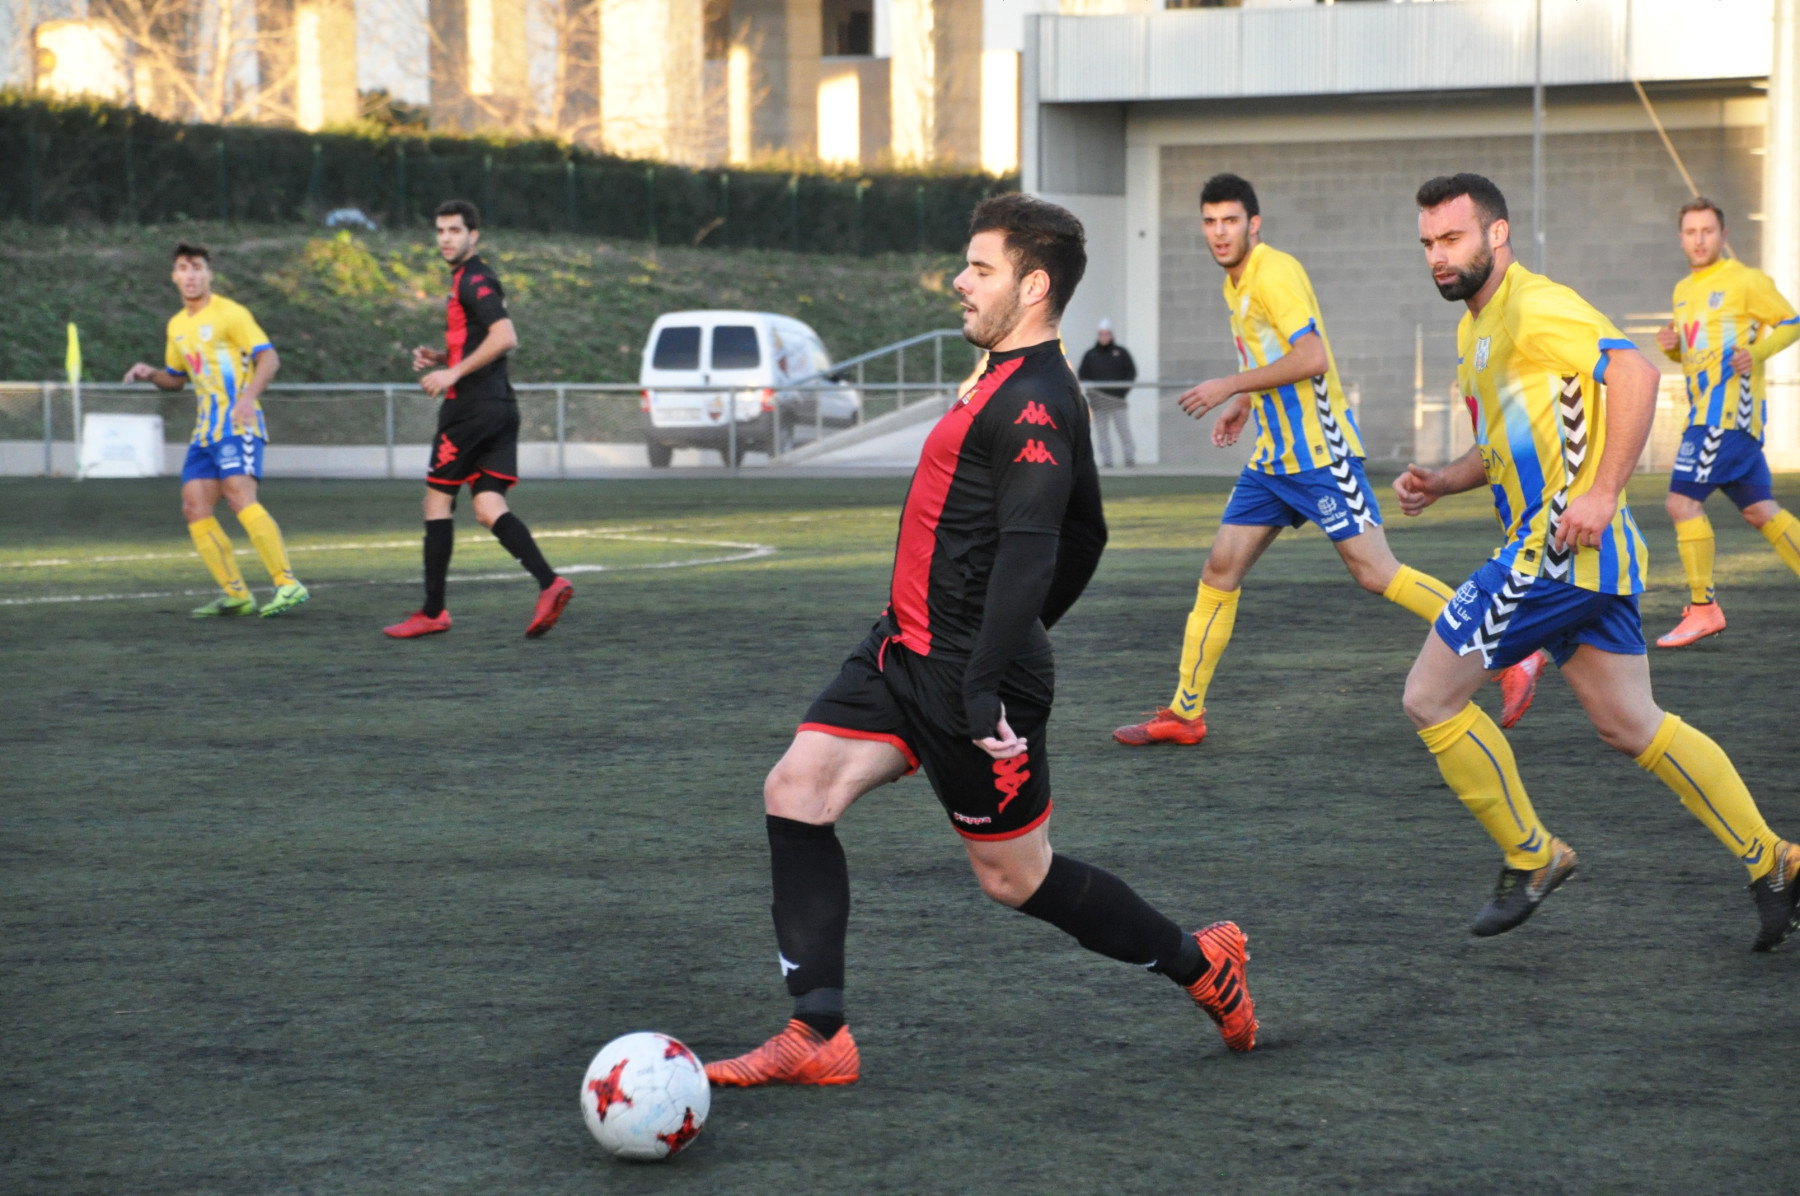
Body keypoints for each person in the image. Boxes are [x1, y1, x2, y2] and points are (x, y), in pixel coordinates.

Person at [704, 194, 1257, 1090]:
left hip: (972, 681)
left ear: (1033, 287)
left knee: (1015, 880)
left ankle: (1202, 963)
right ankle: (819, 1032)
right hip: (903, 651)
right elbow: (1090, 538)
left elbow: (1046, 547)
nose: (960, 282)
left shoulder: (1035, 399)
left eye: (981, 268)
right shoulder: (1003, 377)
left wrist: (990, 675)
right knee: (796, 789)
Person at [1395, 173, 1798, 949]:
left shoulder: (1534, 303)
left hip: (1554, 553)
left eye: (1453, 239)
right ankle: (1772, 858)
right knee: (1631, 723)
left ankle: (1532, 854)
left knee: (1429, 697)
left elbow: (1637, 373)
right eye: (1429, 244)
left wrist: (1605, 490)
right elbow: (1506, 445)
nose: (1439, 257)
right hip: (1585, 559)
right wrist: (1444, 481)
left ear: (1497, 234)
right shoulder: (1474, 329)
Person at [1113, 173, 1541, 749]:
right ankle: (1186, 712)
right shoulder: (1234, 286)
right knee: (1220, 569)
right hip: (1273, 459)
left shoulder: (1275, 271)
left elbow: (1312, 357)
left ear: (1253, 224)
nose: (1220, 232)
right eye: (1210, 222)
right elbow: (1277, 357)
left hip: (1320, 453)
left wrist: (1227, 385)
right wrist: (1244, 401)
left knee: (1375, 573)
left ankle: (1511, 646)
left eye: (1231, 221)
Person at [383, 200, 573, 640]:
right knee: (488, 508)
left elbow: (505, 336)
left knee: (436, 501)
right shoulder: (467, 280)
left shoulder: (475, 278)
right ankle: (550, 583)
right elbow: (480, 341)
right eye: (441, 230)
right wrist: (444, 356)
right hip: (501, 407)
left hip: (470, 409)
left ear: (474, 236)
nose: (446, 238)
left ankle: (433, 612)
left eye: (455, 230)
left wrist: (451, 372)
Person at [123, 243, 309, 619]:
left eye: (197, 268)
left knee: (240, 497)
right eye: (182, 268)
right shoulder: (177, 325)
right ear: (174, 276)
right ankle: (236, 594)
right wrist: (151, 374)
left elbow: (268, 357)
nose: (190, 275)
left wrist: (248, 398)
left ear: (209, 274)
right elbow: (176, 379)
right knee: (194, 506)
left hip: (238, 423)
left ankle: (287, 583)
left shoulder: (231, 314)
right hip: (205, 430)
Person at [1652, 197, 1800, 648]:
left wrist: (1754, 354)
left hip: (1724, 415)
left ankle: (1703, 608)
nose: (1699, 240)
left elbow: (1792, 322)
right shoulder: (1682, 290)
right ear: (1681, 239)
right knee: (1761, 511)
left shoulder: (1745, 281)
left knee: (1681, 504)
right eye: (1691, 232)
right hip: (1708, 413)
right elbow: (1696, 350)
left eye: (1708, 231)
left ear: (1723, 235)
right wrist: (1673, 348)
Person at [1077, 317, 1137, 468]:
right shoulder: (1090, 355)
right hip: (1098, 402)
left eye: (1107, 334)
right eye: (1102, 334)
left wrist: (1122, 391)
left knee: (1123, 431)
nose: (1104, 337)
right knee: (1102, 433)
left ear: (1111, 335)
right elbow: (1083, 374)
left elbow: (1131, 372)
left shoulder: (1121, 353)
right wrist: (1092, 393)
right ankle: (1107, 461)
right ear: (1099, 336)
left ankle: (1129, 458)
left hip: (1118, 401)